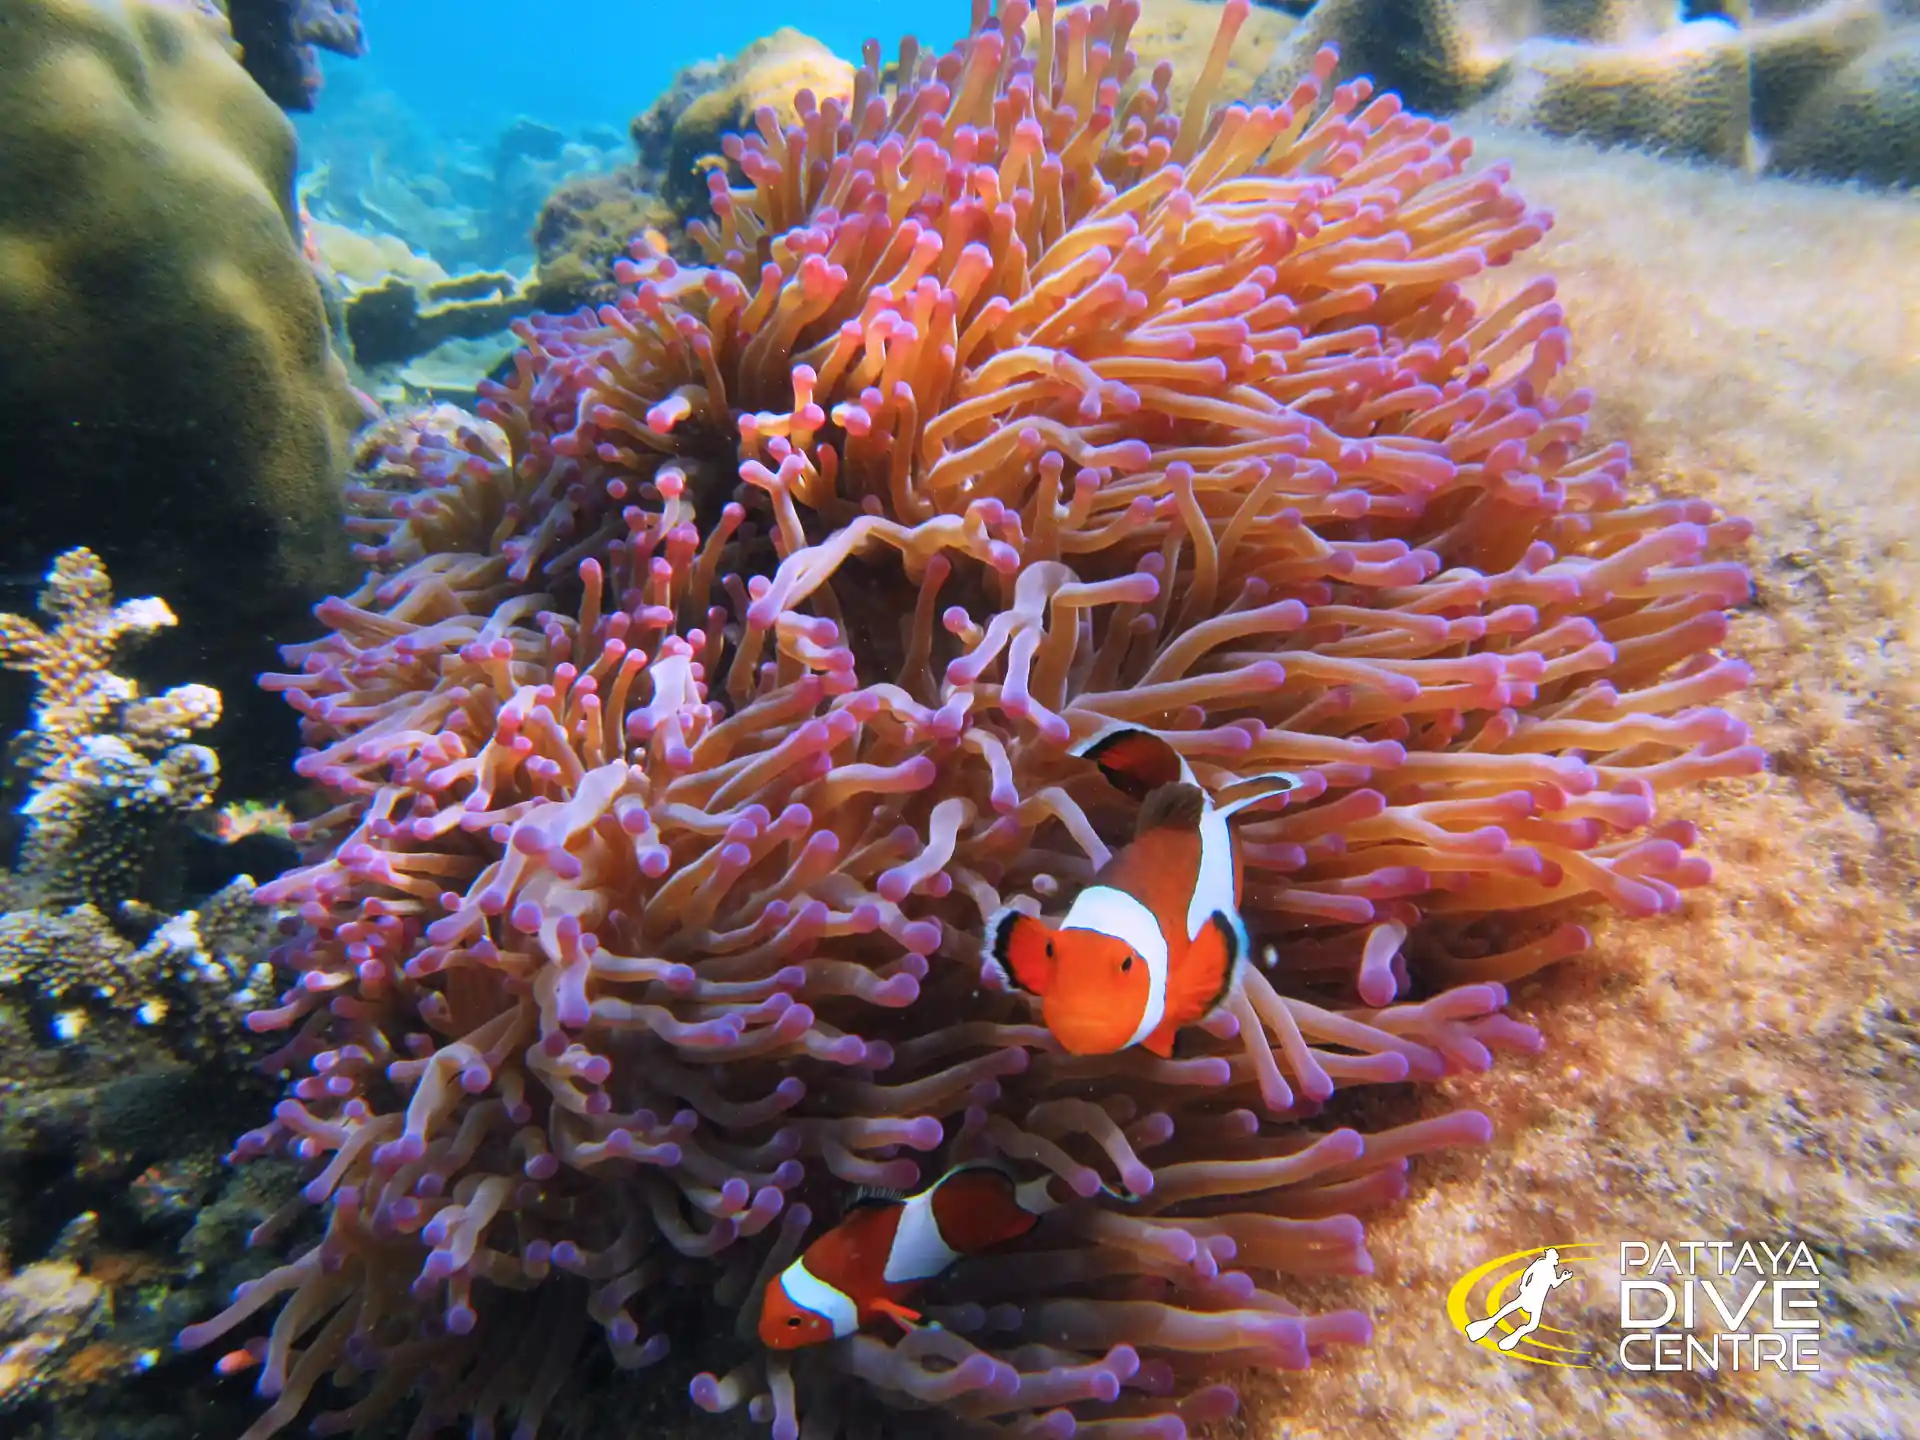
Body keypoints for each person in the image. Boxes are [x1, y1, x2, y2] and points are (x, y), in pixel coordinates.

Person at [1466, 1248, 1574, 1350]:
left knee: (1531, 1323)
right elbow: (1528, 1272)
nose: (1557, 1259)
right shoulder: (1541, 1263)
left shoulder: (1551, 1271)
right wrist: (1523, 1284)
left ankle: (1515, 1334)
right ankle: (1488, 1324)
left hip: (1537, 1300)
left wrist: (1563, 1278)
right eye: (1555, 1257)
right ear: (1550, 1257)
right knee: (1512, 1310)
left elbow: (1554, 1283)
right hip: (1529, 1295)